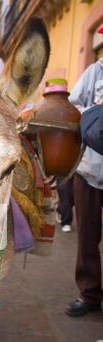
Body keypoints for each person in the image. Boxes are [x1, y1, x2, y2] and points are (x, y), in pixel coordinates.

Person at [66, 26, 103, 317]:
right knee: (87, 236)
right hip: (90, 167)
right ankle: (89, 294)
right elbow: (74, 106)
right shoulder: (95, 71)